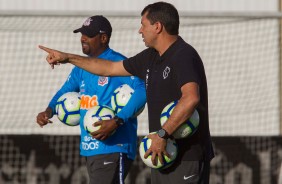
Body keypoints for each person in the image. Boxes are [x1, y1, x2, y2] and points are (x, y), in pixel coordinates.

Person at [39, 2, 214, 184]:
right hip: (161, 154)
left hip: (187, 155)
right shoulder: (151, 57)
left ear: (157, 27)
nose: (140, 30)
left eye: (143, 25)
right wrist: (68, 58)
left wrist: (162, 134)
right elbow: (109, 68)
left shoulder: (183, 54)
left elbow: (191, 97)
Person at [36, 15, 146, 184]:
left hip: (114, 147)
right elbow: (64, 91)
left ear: (104, 38)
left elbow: (142, 91)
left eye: (89, 34)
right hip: (90, 149)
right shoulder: (81, 68)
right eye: (82, 34)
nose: (83, 38)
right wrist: (48, 111)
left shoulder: (118, 62)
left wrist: (117, 120)